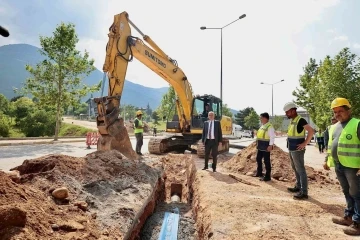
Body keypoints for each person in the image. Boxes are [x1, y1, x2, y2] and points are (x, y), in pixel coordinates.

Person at [323, 97, 360, 236]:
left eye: (340, 111)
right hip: (339, 165)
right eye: (335, 112)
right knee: (347, 192)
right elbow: (330, 145)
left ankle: (358, 223)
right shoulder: (335, 126)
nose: (337, 114)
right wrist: (327, 159)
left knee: (357, 194)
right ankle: (349, 216)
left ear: (349, 110)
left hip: (353, 166)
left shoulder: (357, 124)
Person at [283, 102, 314, 200]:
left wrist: (305, 143)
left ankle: (304, 192)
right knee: (295, 167)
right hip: (292, 148)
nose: (286, 114)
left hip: (297, 150)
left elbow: (311, 131)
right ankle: (298, 186)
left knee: (300, 169)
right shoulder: (293, 121)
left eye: (287, 112)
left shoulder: (300, 120)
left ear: (292, 111)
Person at [252, 112, 275, 181]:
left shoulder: (269, 127)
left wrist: (270, 145)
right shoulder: (262, 126)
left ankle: (268, 176)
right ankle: (259, 173)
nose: (260, 119)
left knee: (266, 161)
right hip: (260, 146)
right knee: (258, 159)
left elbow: (272, 137)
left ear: (265, 118)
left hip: (266, 146)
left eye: (261, 118)